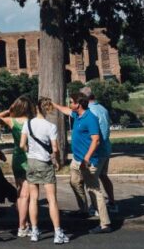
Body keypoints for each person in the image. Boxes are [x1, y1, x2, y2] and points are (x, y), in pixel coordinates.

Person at [52, 92, 112, 234]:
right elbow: (66, 111)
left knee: (94, 190)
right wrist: (53, 104)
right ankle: (84, 210)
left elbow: (95, 140)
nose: (69, 104)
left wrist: (87, 158)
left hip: (88, 161)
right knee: (74, 182)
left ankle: (105, 224)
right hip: (77, 160)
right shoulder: (77, 115)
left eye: (71, 102)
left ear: (78, 104)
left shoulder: (90, 117)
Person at [20, 96, 69, 244]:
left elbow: (22, 144)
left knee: (33, 198)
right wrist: (58, 161)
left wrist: (29, 152)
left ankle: (34, 231)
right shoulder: (50, 126)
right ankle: (57, 233)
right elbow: (55, 148)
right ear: (46, 109)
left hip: (31, 162)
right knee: (52, 199)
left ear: (36, 108)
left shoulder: (27, 124)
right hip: (45, 163)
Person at [0, 96, 33, 237]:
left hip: (17, 157)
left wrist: (8, 110)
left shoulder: (12, 121)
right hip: (29, 157)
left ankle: (26, 222)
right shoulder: (32, 122)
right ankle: (22, 226)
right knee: (25, 195)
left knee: (20, 192)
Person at [81, 86, 117, 213]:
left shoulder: (89, 112)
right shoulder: (103, 108)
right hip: (106, 148)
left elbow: (93, 136)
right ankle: (112, 203)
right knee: (103, 176)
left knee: (92, 182)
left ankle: (96, 207)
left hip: (96, 151)